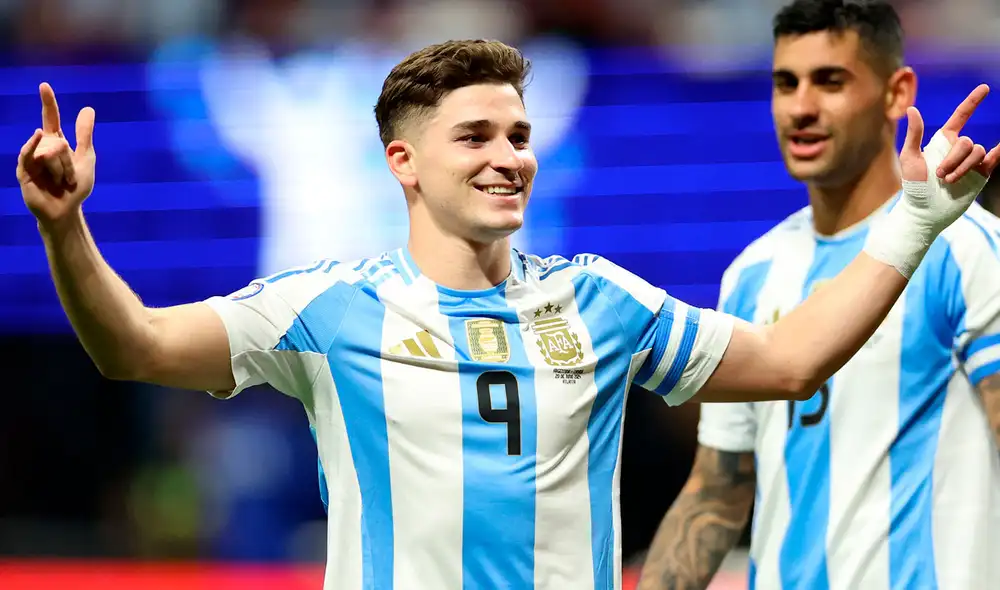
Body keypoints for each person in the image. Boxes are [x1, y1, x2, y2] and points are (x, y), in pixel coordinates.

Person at [16, 37, 995, 590]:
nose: (508, 154)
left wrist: (911, 223)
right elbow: (132, 344)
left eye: (520, 134)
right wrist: (66, 232)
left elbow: (788, 360)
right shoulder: (328, 307)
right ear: (403, 162)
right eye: (474, 134)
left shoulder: (602, 300)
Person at [637, 2, 1000, 590]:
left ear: (895, 92)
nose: (801, 107)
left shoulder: (967, 249)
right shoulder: (753, 272)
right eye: (786, 83)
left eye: (831, 81)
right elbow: (719, 491)